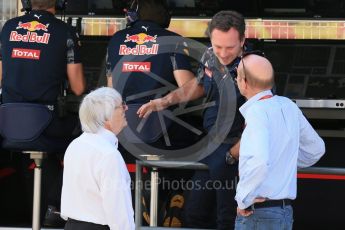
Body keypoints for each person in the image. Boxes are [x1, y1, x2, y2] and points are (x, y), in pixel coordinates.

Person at [138, 10, 247, 229]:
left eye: (230, 47)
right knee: (194, 214)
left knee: (228, 218)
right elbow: (197, 86)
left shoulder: (255, 65)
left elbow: (262, 117)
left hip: (236, 149)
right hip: (210, 145)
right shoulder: (208, 56)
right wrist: (164, 101)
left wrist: (234, 152)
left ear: (243, 40)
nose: (223, 54)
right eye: (218, 47)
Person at [0, 0, 85, 225]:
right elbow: (78, 88)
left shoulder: (8, 27)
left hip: (9, 123)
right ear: (58, 3)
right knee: (85, 136)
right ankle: (56, 205)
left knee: (38, 148)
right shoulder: (65, 32)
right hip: (46, 124)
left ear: (27, 3)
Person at [234, 54, 325, 229]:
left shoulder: (256, 112)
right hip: (284, 211)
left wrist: (242, 200)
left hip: (257, 213)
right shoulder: (289, 105)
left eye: (237, 76)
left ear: (243, 82)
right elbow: (316, 149)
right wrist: (283, 162)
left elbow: (259, 162)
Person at [60, 87, 135, 230]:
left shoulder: (75, 145)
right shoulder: (109, 154)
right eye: (121, 106)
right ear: (107, 117)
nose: (126, 108)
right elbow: (119, 213)